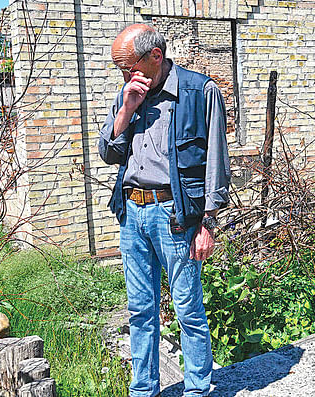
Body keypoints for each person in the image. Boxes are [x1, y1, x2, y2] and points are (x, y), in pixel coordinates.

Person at [98, 24, 230, 397]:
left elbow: (217, 163)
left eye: (130, 67)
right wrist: (126, 109)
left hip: (175, 216)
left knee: (188, 310)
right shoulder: (128, 95)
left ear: (155, 56)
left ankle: (198, 390)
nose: (126, 75)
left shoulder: (199, 91)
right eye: (121, 69)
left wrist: (208, 222)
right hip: (132, 215)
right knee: (140, 311)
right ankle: (144, 391)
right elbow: (108, 153)